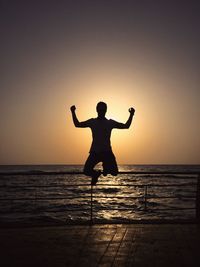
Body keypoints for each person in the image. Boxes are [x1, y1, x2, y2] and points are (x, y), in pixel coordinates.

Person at [70, 102, 135, 185]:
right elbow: (77, 124)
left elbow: (126, 126)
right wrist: (73, 112)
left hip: (107, 152)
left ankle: (106, 167)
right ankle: (97, 173)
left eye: (103, 109)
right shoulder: (93, 122)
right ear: (97, 110)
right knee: (86, 171)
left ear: (105, 110)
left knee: (115, 172)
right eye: (100, 109)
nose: (101, 111)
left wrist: (131, 115)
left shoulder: (109, 123)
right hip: (95, 152)